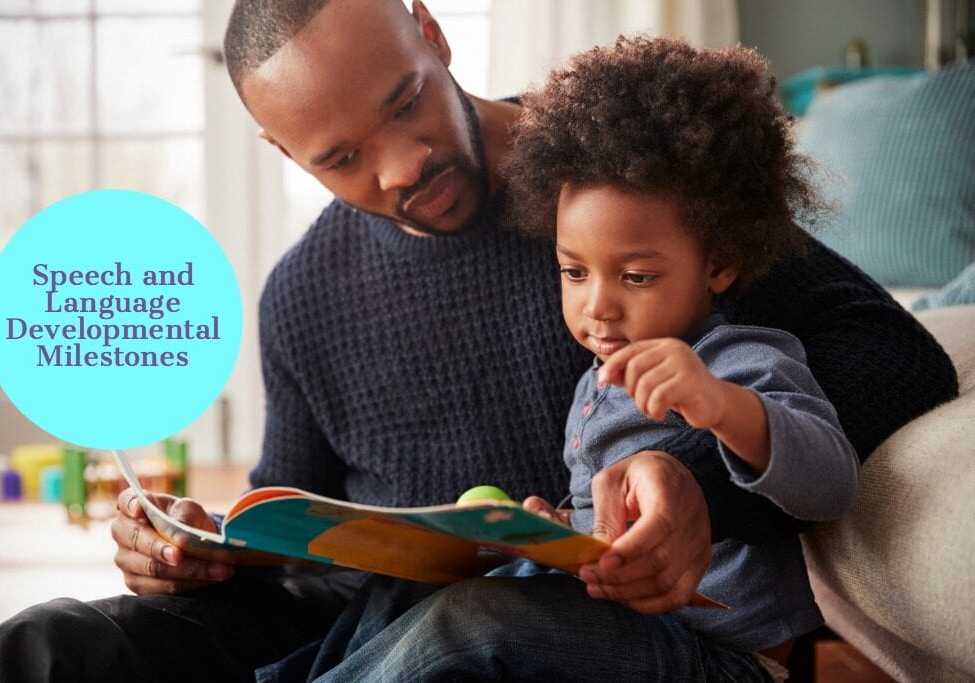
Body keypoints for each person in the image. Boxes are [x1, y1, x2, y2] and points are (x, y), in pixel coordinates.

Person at [0, 1, 956, 681]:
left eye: (404, 103)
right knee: (53, 642)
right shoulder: (302, 293)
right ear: (280, 150)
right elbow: (296, 521)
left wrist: (690, 470)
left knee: (462, 629)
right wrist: (199, 548)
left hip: (564, 626)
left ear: (428, 29)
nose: (400, 166)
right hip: (364, 624)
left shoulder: (618, 191)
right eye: (340, 157)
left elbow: (892, 352)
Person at [290, 35, 861, 682]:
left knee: (470, 624)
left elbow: (831, 481)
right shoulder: (596, 387)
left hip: (731, 656)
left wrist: (726, 407)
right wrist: (554, 534)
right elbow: (610, 539)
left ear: (721, 264)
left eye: (637, 276)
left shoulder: (738, 358)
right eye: (574, 271)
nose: (600, 307)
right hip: (623, 630)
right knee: (400, 594)